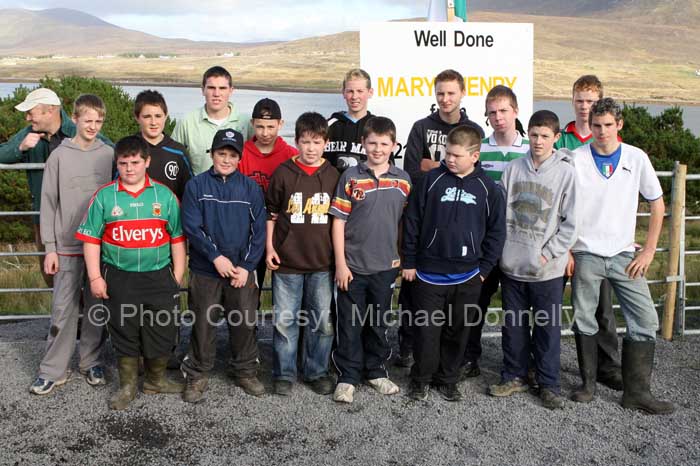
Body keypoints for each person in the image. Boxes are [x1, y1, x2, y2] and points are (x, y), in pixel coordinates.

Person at [570, 98, 674, 414]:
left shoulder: (636, 158)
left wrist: (650, 249)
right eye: (596, 126)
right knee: (584, 316)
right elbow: (563, 207)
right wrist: (566, 251)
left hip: (624, 255)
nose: (601, 132)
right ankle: (588, 385)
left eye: (608, 126)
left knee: (645, 319)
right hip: (586, 252)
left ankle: (637, 393)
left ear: (619, 125)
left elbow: (657, 204)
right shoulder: (575, 159)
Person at [76, 136, 186, 410]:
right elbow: (91, 239)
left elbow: (177, 238)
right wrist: (95, 277)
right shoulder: (104, 196)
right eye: (123, 163)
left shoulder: (164, 196)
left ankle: (155, 380)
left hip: (159, 275)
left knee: (161, 329)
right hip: (120, 276)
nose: (129, 168)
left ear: (147, 162)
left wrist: (178, 275)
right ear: (117, 163)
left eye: (135, 162)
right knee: (124, 330)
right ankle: (127, 386)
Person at [402, 125, 505, 402]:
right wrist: (409, 261)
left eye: (456, 155)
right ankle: (420, 378)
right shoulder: (430, 180)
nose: (449, 159)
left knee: (458, 331)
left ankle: (447, 378)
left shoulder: (488, 189)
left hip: (468, 276)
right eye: (447, 153)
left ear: (474, 155)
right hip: (428, 273)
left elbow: (497, 232)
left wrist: (483, 271)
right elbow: (412, 221)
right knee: (426, 330)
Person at [488, 110, 577, 410]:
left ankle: (548, 382)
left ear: (555, 137)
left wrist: (548, 253)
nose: (538, 141)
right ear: (528, 134)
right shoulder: (513, 169)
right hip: (512, 264)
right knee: (513, 324)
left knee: (547, 326)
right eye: (534, 135)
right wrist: (501, 251)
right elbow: (499, 215)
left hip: (547, 269)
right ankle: (514, 374)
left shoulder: (566, 173)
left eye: (545, 136)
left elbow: (571, 223)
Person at [398, 69, 484, 367]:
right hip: (426, 220)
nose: (445, 99)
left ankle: (458, 358)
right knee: (414, 292)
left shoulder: (472, 128)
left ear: (462, 93)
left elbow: (473, 173)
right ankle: (408, 347)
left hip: (459, 224)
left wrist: (433, 167)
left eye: (451, 93)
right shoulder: (421, 127)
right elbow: (411, 171)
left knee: (459, 303)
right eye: (440, 93)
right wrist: (446, 169)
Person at [29, 94, 114, 395]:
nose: (93, 126)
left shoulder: (109, 154)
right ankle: (53, 369)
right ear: (75, 119)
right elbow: (48, 204)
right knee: (62, 309)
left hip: (100, 247)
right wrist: (50, 246)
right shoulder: (59, 156)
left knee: (96, 307)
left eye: (99, 121)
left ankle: (90, 361)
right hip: (65, 246)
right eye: (88, 120)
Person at [180, 129, 267, 402]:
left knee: (243, 322)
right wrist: (215, 256)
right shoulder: (196, 186)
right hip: (207, 270)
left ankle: (244, 370)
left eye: (231, 155)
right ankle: (198, 373)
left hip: (240, 271)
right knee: (204, 323)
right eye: (221, 153)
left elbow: (259, 230)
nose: (226, 159)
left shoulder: (250, 188)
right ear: (212, 154)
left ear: (239, 158)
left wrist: (247, 266)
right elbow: (193, 227)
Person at [329, 116, 411, 403]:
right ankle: (348, 377)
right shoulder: (351, 177)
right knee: (349, 323)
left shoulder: (403, 180)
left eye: (384, 144)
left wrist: (400, 256)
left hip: (385, 266)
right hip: (352, 266)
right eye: (372, 143)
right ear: (363, 143)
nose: (377, 149)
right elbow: (338, 222)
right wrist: (340, 263)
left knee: (378, 322)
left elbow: (402, 222)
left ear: (394, 146)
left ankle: (376, 370)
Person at [0, 87, 110, 286]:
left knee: (91, 272)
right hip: (45, 218)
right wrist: (20, 147)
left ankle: (84, 316)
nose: (27, 118)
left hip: (85, 216)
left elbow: (116, 155)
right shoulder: (29, 133)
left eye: (30, 112)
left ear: (49, 110)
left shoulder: (82, 128)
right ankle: (67, 314)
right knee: (52, 274)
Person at [556, 75, 623, 392]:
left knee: (602, 309)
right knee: (551, 304)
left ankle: (608, 367)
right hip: (563, 238)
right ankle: (543, 363)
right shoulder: (561, 139)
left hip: (597, 242)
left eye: (591, 102)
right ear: (572, 101)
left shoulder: (609, 139)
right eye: (580, 101)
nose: (585, 107)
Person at [265, 112, 339, 396]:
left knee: (322, 321)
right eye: (305, 142)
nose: (310, 148)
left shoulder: (333, 175)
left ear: (325, 143)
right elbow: (270, 214)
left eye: (316, 142)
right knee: (285, 321)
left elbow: (340, 220)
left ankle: (316, 370)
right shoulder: (284, 173)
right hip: (288, 263)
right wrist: (270, 247)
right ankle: (283, 373)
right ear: (296, 142)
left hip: (322, 262)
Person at [462, 85, 529, 379]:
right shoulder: (480, 149)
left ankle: (521, 365)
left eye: (503, 111)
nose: (498, 117)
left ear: (515, 111)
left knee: (519, 308)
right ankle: (469, 358)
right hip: (484, 241)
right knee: (476, 301)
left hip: (520, 240)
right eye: (492, 112)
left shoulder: (531, 148)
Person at [239, 98, 298, 291]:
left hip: (283, 234)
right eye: (260, 127)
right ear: (252, 124)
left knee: (286, 291)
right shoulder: (240, 155)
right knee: (248, 290)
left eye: (271, 127)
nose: (265, 133)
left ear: (280, 124)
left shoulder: (291, 155)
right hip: (248, 234)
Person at [172, 66, 251, 175]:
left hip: (236, 191)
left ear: (231, 90)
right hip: (197, 190)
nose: (216, 94)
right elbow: (173, 158)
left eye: (222, 88)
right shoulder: (187, 122)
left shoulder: (247, 122)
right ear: (203, 90)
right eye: (211, 88)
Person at [134, 89, 193, 201]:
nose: (153, 122)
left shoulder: (178, 152)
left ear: (166, 116)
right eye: (147, 117)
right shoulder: (127, 150)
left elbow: (189, 192)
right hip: (136, 216)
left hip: (169, 217)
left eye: (158, 116)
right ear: (137, 118)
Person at [323, 68, 374, 171]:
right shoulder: (329, 125)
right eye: (350, 91)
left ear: (370, 92)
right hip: (334, 186)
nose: (354, 96)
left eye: (360, 91)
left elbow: (387, 168)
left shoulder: (377, 127)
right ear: (343, 93)